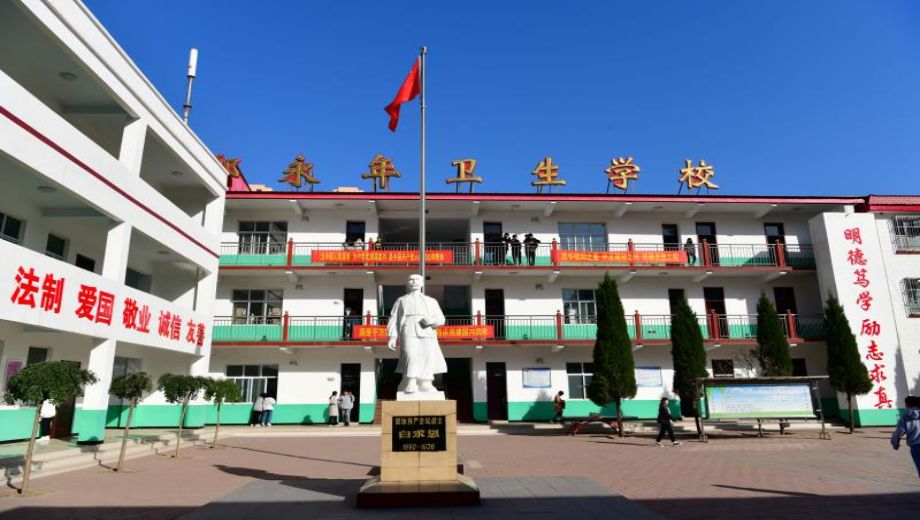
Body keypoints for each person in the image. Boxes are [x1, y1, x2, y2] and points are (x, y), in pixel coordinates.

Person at [387, 274, 448, 394]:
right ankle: (411, 381)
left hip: (426, 329)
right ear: (408, 283)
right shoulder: (401, 300)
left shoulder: (431, 301)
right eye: (411, 279)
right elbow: (394, 318)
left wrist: (432, 321)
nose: (414, 281)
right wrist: (393, 337)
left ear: (422, 283)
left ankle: (426, 382)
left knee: (427, 355)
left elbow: (441, 319)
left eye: (417, 279)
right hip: (408, 328)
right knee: (410, 354)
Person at [891, 395, 920, 478]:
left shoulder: (906, 416)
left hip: (916, 447)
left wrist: (895, 443)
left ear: (907, 404)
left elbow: (900, 431)